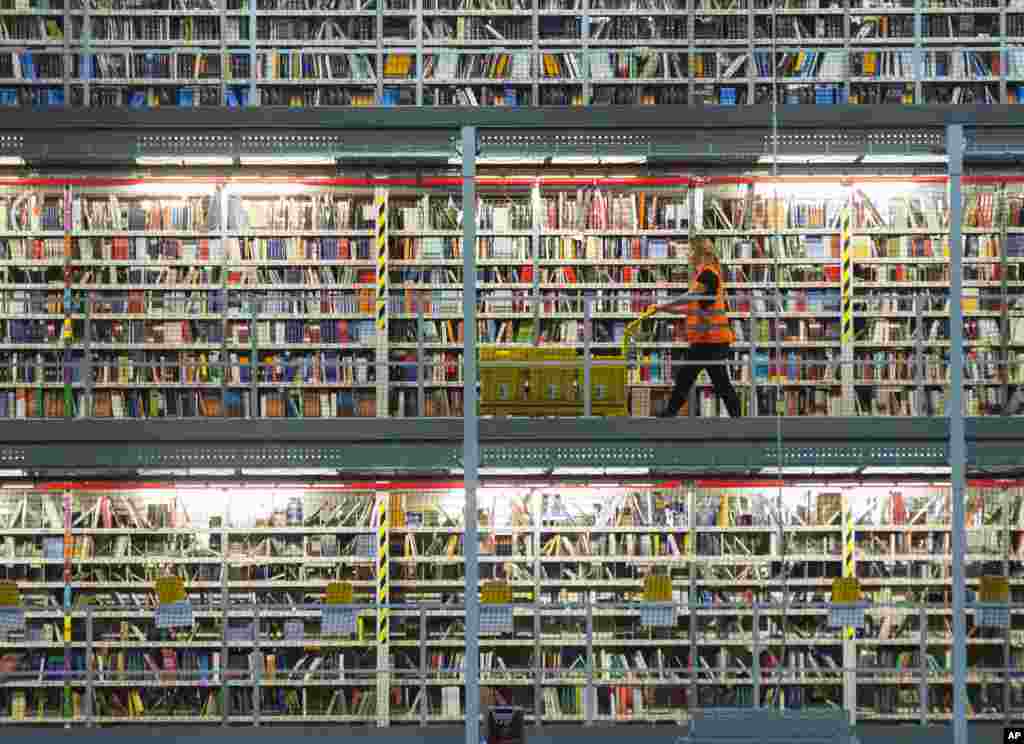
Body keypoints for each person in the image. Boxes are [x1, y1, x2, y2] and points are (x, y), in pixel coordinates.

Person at [655, 237, 742, 418]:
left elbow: (689, 297)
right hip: (707, 339)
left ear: (699, 253)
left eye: (690, 251)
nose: (688, 255)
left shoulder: (708, 275)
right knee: (707, 380)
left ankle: (670, 412)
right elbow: (690, 307)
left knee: (693, 378)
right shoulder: (705, 274)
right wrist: (664, 309)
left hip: (710, 339)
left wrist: (664, 305)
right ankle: (737, 417)